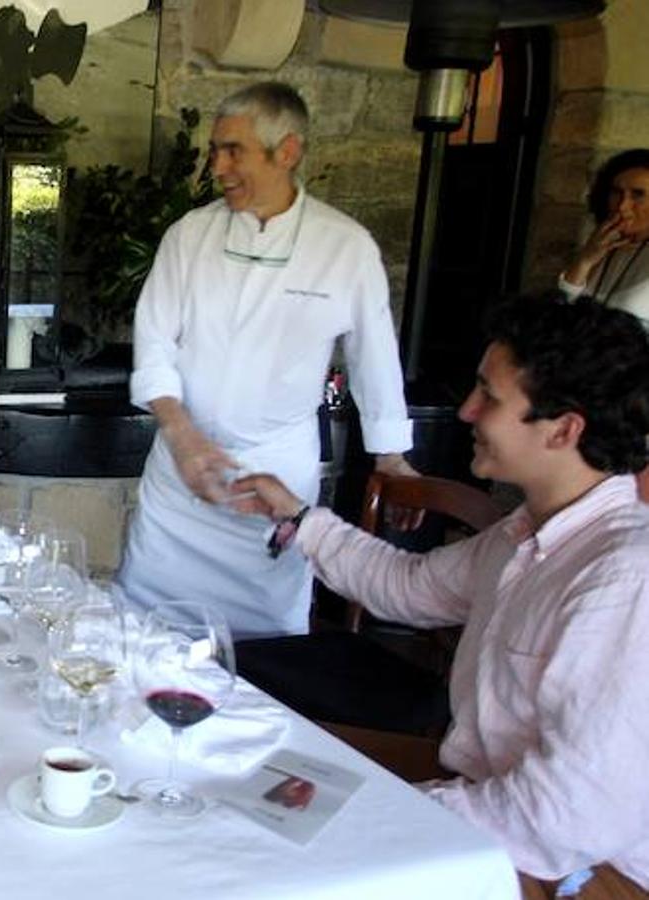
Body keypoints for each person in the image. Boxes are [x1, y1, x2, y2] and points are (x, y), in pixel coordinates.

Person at [234, 299, 649, 894]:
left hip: (575, 868)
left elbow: (573, 814)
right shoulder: (522, 538)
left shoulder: (625, 578)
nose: (466, 411)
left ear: (564, 428)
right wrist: (298, 516)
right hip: (479, 802)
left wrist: (397, 815)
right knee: (255, 779)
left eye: (490, 397)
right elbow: (407, 587)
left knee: (297, 855)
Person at [115, 81, 414, 638]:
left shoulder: (345, 247)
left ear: (289, 152)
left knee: (266, 646)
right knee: (143, 626)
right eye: (214, 150)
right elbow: (153, 340)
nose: (218, 166)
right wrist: (181, 435)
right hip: (181, 477)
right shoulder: (189, 236)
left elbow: (374, 356)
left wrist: (391, 457)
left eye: (234, 151)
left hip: (274, 479)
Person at [559, 148, 649, 323]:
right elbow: (561, 308)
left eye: (638, 195)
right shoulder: (604, 245)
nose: (623, 206)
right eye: (616, 192)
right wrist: (585, 260)